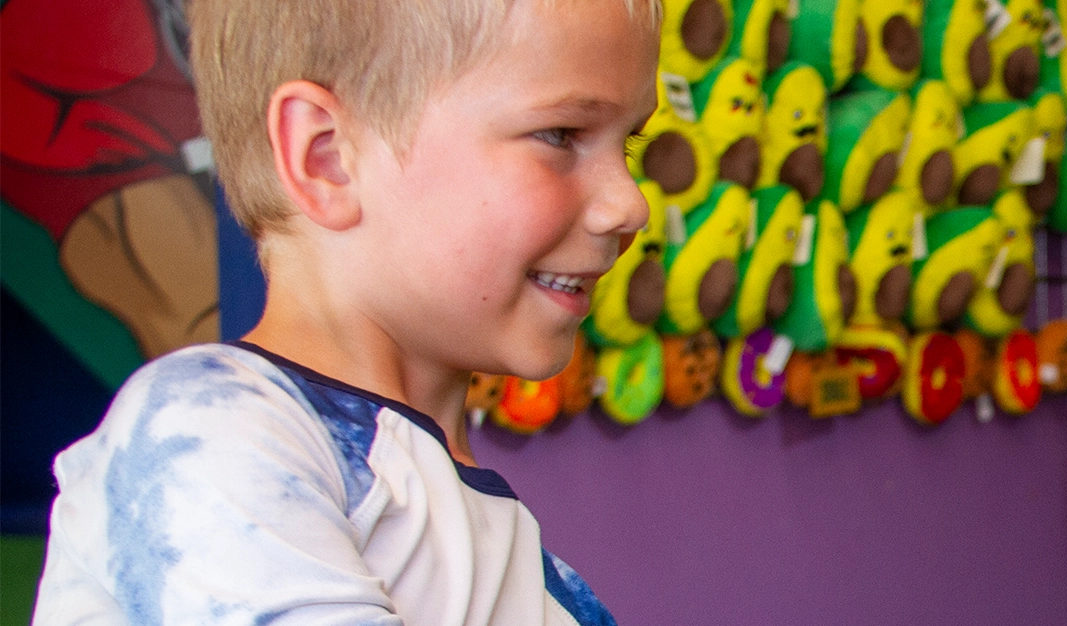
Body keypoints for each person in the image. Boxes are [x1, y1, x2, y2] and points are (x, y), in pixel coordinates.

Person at [33, 0, 659, 623]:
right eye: (561, 136)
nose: (629, 205)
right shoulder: (216, 432)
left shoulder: (515, 558)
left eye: (627, 144)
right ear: (327, 156)